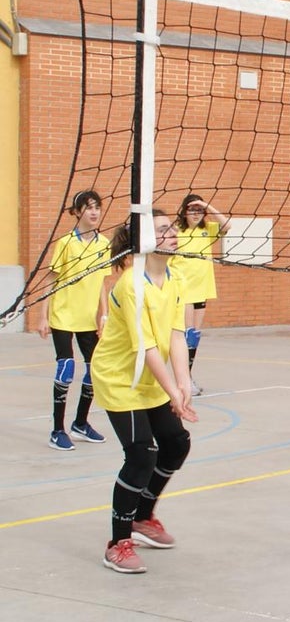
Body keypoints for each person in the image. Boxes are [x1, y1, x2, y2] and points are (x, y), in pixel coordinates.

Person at [93, 214, 198, 573]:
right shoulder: (131, 285)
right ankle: (118, 543)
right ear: (144, 241)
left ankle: (142, 517)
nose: (173, 233)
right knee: (141, 454)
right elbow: (146, 347)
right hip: (119, 377)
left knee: (176, 443)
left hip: (149, 377)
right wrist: (173, 392)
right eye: (163, 230)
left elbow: (176, 335)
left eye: (173, 228)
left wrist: (183, 384)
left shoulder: (175, 278)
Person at [38, 190, 111, 451]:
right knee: (66, 367)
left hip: (88, 319)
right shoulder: (66, 243)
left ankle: (80, 423)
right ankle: (57, 430)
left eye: (97, 207)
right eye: (89, 207)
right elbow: (51, 279)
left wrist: (104, 314)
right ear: (78, 212)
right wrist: (43, 316)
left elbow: (102, 282)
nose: (94, 212)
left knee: (94, 370)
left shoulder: (104, 243)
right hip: (63, 316)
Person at [171, 194, 231, 395]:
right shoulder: (177, 231)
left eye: (199, 211)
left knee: (194, 337)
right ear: (184, 212)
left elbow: (228, 225)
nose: (196, 214)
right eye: (192, 210)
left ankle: (187, 377)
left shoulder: (208, 230)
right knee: (186, 335)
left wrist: (207, 205)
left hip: (202, 289)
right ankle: (183, 379)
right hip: (184, 290)